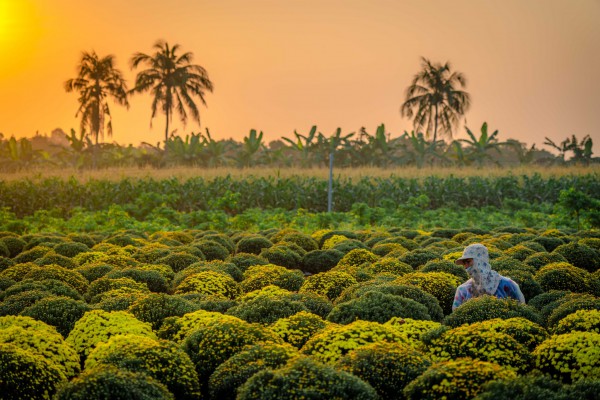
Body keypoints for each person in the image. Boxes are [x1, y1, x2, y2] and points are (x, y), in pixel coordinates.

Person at [452, 243, 525, 311]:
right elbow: (456, 316)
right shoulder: (463, 290)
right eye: (464, 263)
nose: (466, 267)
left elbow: (522, 309)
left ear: (480, 261)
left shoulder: (507, 284)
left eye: (468, 262)